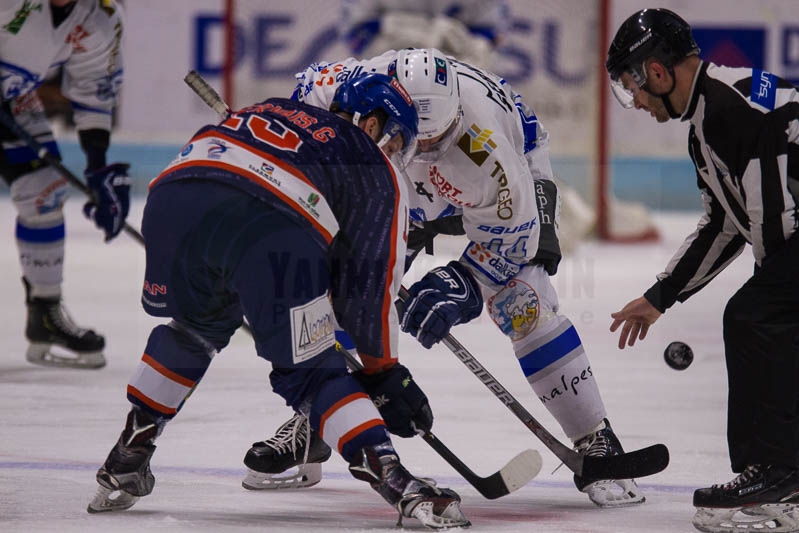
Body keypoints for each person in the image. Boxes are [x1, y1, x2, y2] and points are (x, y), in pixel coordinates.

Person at [244, 47, 646, 508]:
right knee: (341, 292)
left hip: (506, 174)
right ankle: (316, 418)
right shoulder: (336, 90)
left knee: (522, 300)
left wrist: (466, 284)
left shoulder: (482, 150)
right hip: (394, 174)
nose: (432, 148)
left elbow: (510, 242)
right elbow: (290, 120)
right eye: (427, 138)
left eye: (439, 137)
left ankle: (594, 437)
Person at [86, 73, 471, 529]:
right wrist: (384, 373)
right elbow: (369, 294)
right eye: (398, 139)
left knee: (195, 328)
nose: (395, 152)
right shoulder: (372, 163)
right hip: (269, 226)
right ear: (372, 124)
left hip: (172, 198)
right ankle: (397, 482)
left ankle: (127, 456)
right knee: (310, 370)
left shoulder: (269, 108)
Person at [606, 8, 799, 532]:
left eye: (633, 85)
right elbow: (725, 226)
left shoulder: (730, 111)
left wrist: (772, 310)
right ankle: (782, 470)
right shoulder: (708, 119)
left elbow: (777, 226)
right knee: (763, 313)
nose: (637, 102)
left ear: (658, 71)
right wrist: (660, 296)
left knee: (755, 316)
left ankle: (779, 473)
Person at [0, 0, 130, 369]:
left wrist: (97, 169)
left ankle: (44, 311)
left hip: (12, 96)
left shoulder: (101, 18)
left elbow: (94, 92)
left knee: (45, 189)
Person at [340, 0, 509, 69]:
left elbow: (491, 33)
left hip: (454, 53)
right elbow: (357, 33)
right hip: (393, 53)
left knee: (479, 51)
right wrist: (415, 31)